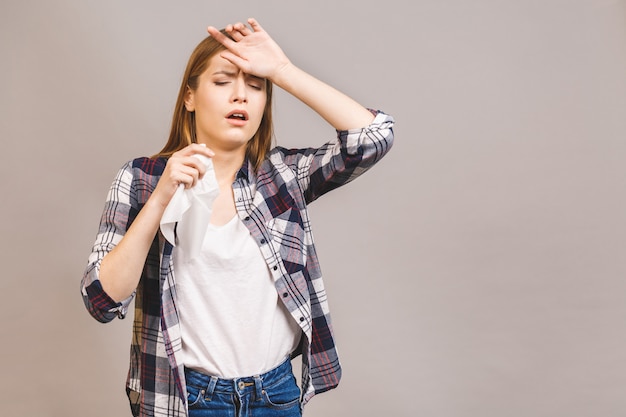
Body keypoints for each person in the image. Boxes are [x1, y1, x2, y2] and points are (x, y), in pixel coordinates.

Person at [81, 17, 394, 417]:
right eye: (223, 81)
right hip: (186, 398)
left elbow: (373, 138)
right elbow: (101, 300)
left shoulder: (282, 176)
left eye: (256, 85)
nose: (240, 97)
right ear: (190, 97)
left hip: (275, 394)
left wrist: (282, 70)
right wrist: (160, 199)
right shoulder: (141, 179)